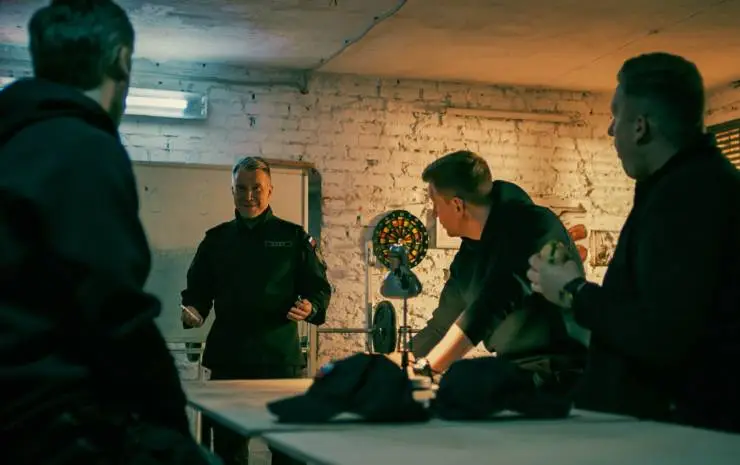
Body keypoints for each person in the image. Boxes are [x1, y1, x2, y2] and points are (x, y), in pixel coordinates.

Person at [0, 1, 214, 463]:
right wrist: (174, 425)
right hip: (56, 427)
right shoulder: (83, 148)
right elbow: (115, 313)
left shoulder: (13, 141)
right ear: (121, 59)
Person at [527, 52, 740, 433]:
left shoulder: (685, 197)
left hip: (676, 436)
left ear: (640, 126)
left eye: (616, 115)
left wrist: (573, 291)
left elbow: (661, 334)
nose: (611, 130)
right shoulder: (695, 186)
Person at [404, 150, 589, 412]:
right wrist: (398, 361)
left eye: (435, 203)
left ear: (457, 205)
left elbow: (492, 304)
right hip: (515, 374)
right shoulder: (468, 256)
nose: (433, 213)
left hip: (561, 377)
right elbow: (440, 326)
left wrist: (427, 368)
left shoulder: (533, 226)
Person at [181, 156, 332, 465]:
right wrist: (193, 310)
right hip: (228, 360)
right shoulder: (215, 240)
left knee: (287, 451)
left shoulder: (293, 237)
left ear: (270, 191)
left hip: (279, 360)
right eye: (241, 188)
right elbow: (197, 291)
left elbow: (318, 289)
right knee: (227, 451)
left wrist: (311, 307)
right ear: (232, 191)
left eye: (256, 188)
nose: (248, 195)